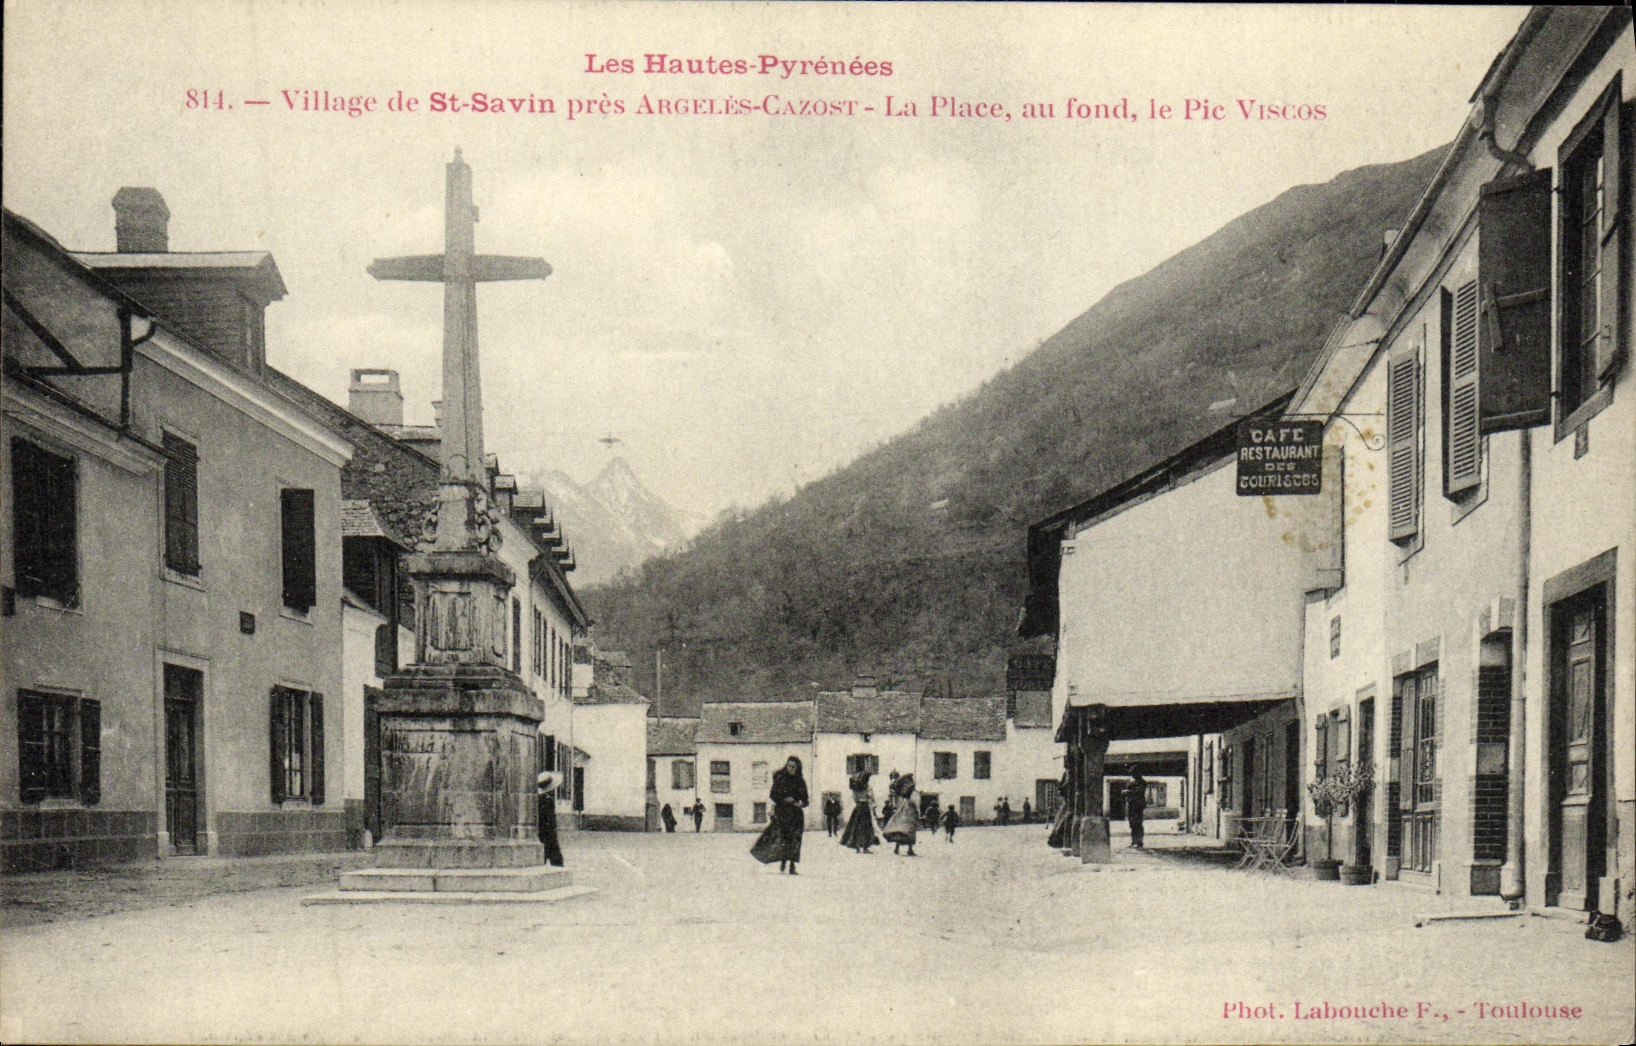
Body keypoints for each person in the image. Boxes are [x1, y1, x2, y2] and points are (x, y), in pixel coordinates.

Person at [769, 756, 810, 874]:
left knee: (795, 839)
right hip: (782, 812)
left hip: (796, 814)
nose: (790, 768)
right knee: (784, 838)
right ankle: (783, 860)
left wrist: (800, 803)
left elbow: (806, 800)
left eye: (793, 767)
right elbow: (772, 795)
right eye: (789, 766)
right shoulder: (780, 779)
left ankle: (792, 865)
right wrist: (784, 800)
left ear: (798, 768)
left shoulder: (800, 782)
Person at [840, 770, 879, 853]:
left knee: (856, 827)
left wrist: (858, 801)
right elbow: (871, 798)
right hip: (865, 807)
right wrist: (874, 808)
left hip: (857, 808)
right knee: (866, 827)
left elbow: (854, 798)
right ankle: (865, 847)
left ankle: (857, 847)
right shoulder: (868, 787)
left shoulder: (856, 788)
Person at [882, 772, 919, 856]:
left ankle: (897, 848)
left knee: (901, 830)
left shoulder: (901, 793)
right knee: (910, 830)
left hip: (902, 811)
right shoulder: (911, 790)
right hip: (910, 812)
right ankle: (910, 849)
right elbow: (915, 802)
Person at [536, 770, 565, 868]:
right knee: (556, 859)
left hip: (540, 833)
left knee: (542, 858)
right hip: (548, 833)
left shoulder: (538, 799)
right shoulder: (548, 800)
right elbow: (550, 819)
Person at [1125, 773, 1147, 849]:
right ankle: (1134, 841)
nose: (1132, 775)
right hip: (1132, 805)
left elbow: (1138, 791)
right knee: (1132, 823)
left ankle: (1139, 842)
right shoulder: (1132, 782)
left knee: (1138, 823)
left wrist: (1127, 792)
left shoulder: (1141, 782)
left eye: (1134, 773)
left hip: (1138, 805)